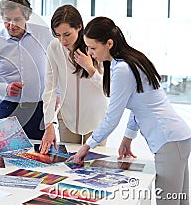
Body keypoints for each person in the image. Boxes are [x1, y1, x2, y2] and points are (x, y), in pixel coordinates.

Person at [68, 16, 191, 204]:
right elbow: (138, 105)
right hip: (176, 137)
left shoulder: (122, 69)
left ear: (109, 43)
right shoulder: (130, 61)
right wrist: (127, 138)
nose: (90, 53)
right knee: (179, 200)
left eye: (93, 48)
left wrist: (87, 146)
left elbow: (112, 117)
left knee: (169, 201)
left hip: (168, 140)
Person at [0, 0, 53, 139]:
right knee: (6, 158)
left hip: (39, 110)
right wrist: (4, 88)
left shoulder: (43, 35)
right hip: (7, 109)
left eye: (17, 19)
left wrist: (57, 97)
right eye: (7, 20)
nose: (12, 25)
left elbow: (57, 68)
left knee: (39, 158)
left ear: (27, 17)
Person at [40, 5, 107, 154]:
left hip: (96, 120)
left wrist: (90, 69)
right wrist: (48, 124)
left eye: (67, 34)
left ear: (79, 27)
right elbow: (50, 88)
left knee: (95, 167)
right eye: (57, 35)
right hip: (67, 119)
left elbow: (108, 89)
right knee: (67, 166)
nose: (62, 40)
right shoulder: (54, 47)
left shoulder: (95, 46)